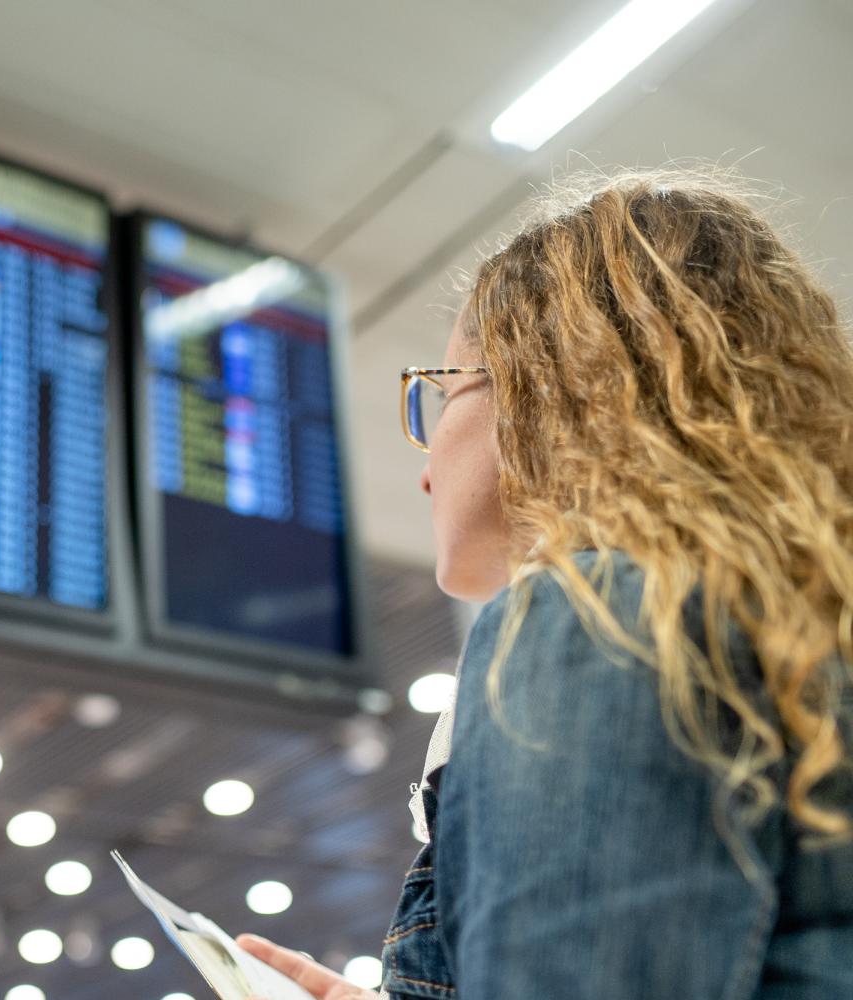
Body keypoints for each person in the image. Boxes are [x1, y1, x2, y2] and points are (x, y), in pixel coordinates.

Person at [236, 168, 853, 999]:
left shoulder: (601, 614)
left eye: (441, 394)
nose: (424, 472)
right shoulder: (805, 625)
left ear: (549, 390)